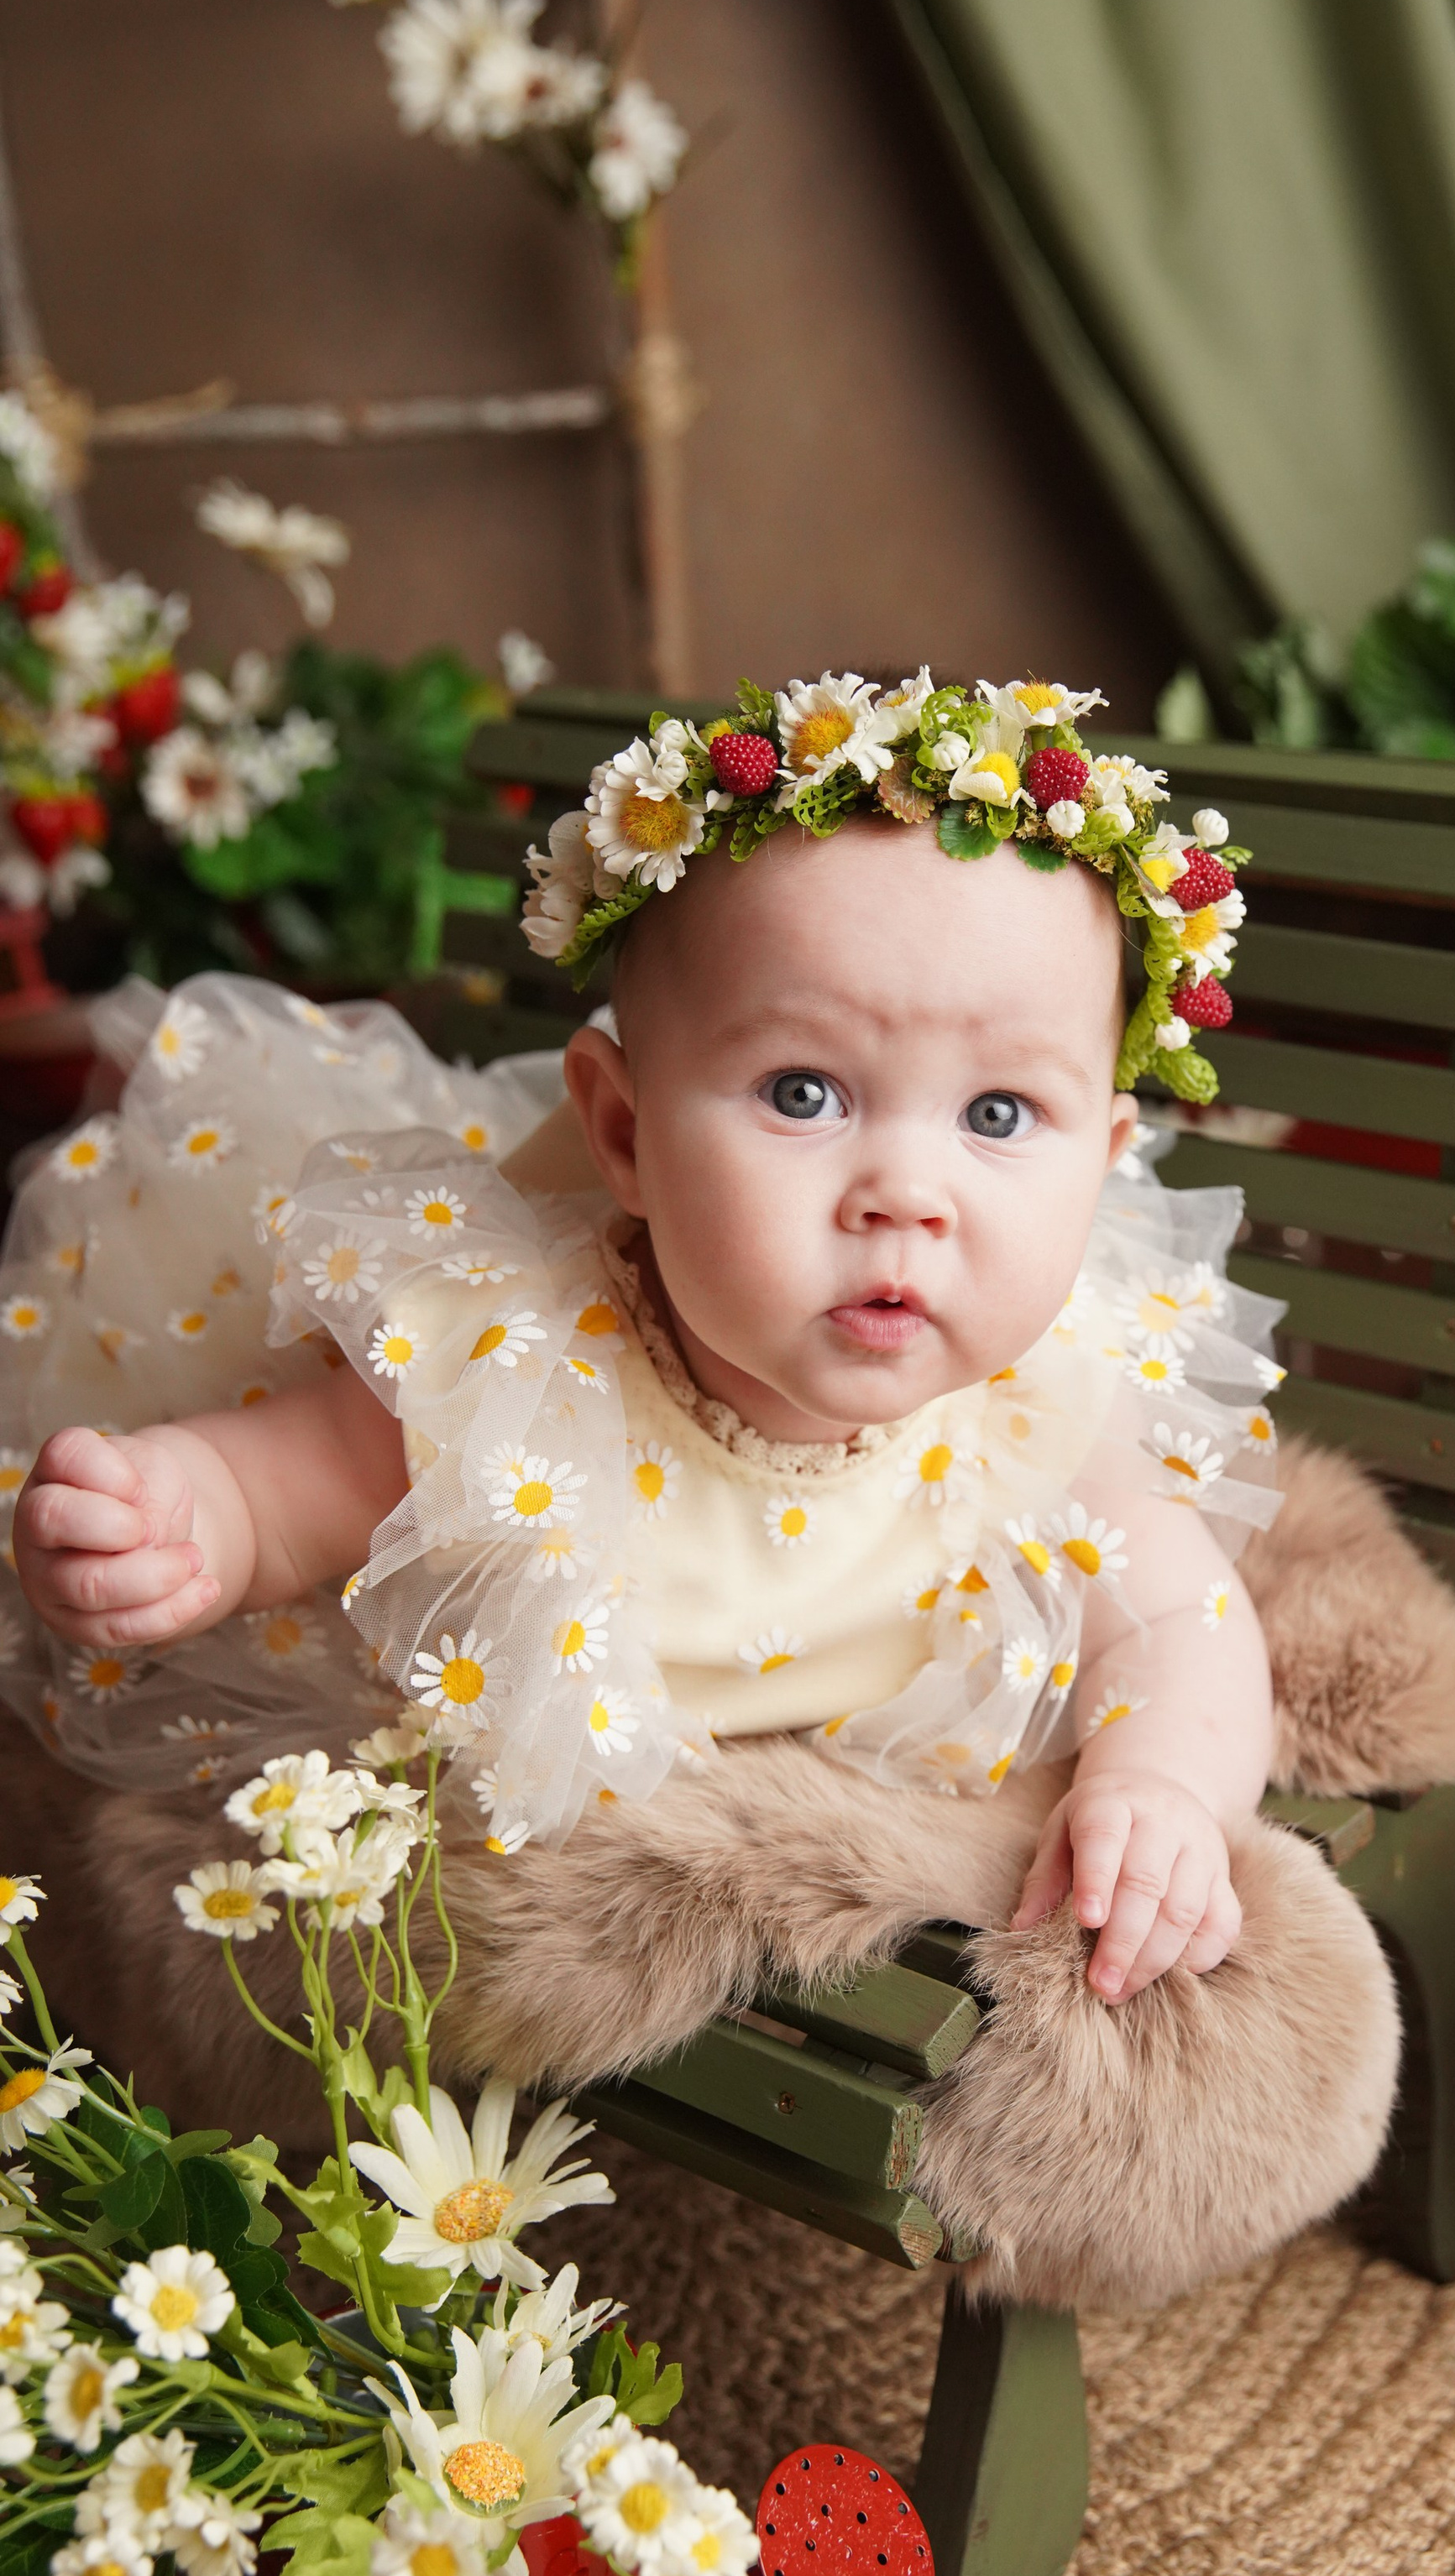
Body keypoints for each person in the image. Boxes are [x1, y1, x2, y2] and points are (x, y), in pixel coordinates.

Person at [4, 670, 1287, 2007]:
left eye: (1001, 1115)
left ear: (1106, 1160)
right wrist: (181, 1519)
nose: (907, 1193)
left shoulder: (1047, 1396)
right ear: (622, 1132)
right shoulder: (517, 1372)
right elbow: (282, 1490)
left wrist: (1162, 1784)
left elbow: (1181, 1626)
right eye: (806, 1093)